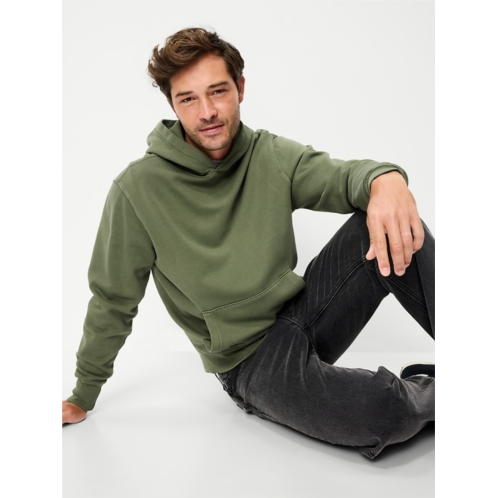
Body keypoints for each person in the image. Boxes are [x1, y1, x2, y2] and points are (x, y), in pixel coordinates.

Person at [62, 27, 435, 460]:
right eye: (188, 99)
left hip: (305, 314)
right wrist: (83, 394)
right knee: (385, 413)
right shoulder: (138, 190)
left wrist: (386, 180)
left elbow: (344, 177)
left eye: (218, 92)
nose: (207, 112)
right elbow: (113, 300)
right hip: (251, 362)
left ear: (240, 88)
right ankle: (420, 392)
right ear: (172, 105)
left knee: (393, 220)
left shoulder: (268, 154)